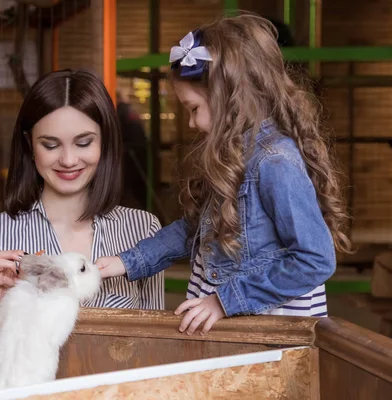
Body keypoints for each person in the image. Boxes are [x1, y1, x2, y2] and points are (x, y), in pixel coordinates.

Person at [96, 14, 352, 334]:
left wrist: (225, 301)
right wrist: (125, 263)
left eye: (194, 109)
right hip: (231, 325)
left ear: (230, 98)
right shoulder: (234, 157)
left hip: (267, 334)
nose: (191, 124)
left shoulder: (274, 163)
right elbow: (196, 230)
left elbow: (316, 259)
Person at [0, 69, 164, 310]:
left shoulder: (142, 230)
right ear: (29, 145)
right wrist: (1, 308)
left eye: (84, 143)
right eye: (50, 145)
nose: (68, 160)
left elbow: (153, 338)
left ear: (104, 141)